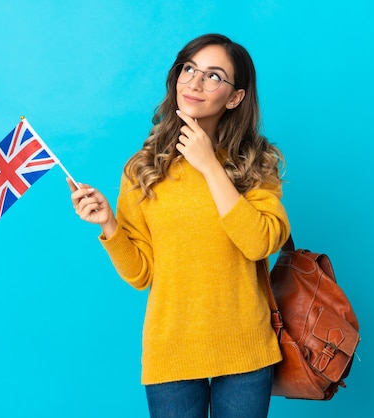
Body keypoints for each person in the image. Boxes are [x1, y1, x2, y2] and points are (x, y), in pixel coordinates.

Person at [68, 33, 290, 418]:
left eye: (214, 75)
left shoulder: (258, 164)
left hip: (245, 349)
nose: (195, 82)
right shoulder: (143, 167)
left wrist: (209, 165)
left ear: (235, 96)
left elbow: (259, 244)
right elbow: (141, 273)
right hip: (171, 350)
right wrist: (109, 225)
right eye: (189, 69)